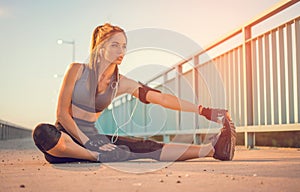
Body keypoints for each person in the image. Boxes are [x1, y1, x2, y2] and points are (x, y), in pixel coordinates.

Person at [32, 23, 236, 163]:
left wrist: (204, 110)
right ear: (100, 47)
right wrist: (91, 144)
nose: (121, 51)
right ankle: (94, 156)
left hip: (95, 139)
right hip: (66, 139)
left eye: (123, 46)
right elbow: (62, 114)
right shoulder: (77, 70)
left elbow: (162, 98)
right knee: (44, 133)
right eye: (114, 45)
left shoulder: (122, 83)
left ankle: (211, 150)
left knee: (147, 146)